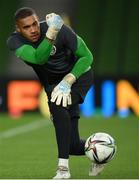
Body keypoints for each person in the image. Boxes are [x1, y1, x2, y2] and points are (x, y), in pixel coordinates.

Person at [7, 7, 105, 179]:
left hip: (79, 76)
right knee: (72, 146)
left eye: (35, 24)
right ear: (18, 29)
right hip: (53, 85)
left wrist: (70, 78)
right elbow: (39, 58)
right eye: (26, 27)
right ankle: (104, 150)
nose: (33, 29)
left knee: (58, 104)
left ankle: (63, 169)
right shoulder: (15, 42)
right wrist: (51, 33)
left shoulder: (61, 29)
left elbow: (87, 57)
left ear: (38, 21)